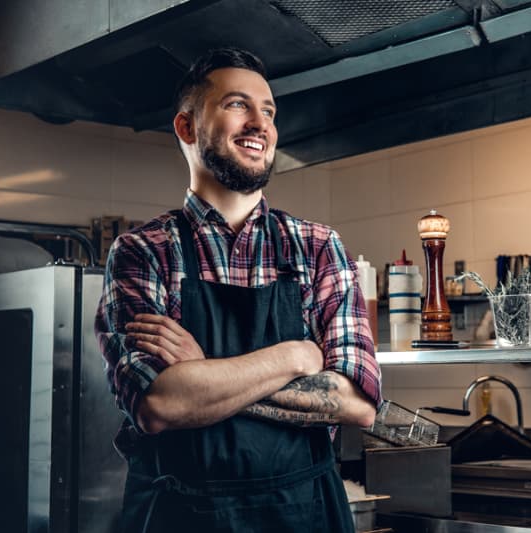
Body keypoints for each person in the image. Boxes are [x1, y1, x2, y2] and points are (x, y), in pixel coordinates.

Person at [94, 47, 382, 532]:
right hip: (181, 516)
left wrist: (201, 375)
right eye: (236, 105)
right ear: (186, 128)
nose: (260, 123)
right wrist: (295, 355)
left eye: (267, 110)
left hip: (304, 514)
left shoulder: (316, 246)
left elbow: (357, 402)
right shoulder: (142, 252)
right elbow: (160, 405)